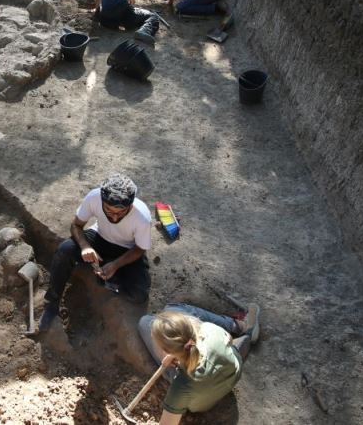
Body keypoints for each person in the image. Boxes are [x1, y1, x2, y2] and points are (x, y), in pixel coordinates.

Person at [39, 173, 152, 332]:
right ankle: (52, 302)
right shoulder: (94, 197)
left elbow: (140, 249)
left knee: (139, 293)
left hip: (127, 250)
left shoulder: (142, 217)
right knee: (65, 250)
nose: (114, 217)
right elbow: (76, 225)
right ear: (102, 200)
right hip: (99, 238)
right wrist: (85, 246)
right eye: (108, 210)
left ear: (131, 205)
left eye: (120, 212)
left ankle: (107, 278)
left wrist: (116, 264)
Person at [138, 302, 261, 424]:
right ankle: (240, 327)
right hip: (232, 372)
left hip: (202, 403)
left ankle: (240, 334)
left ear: (164, 351)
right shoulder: (209, 330)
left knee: (144, 322)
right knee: (172, 308)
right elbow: (227, 338)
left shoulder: (180, 387)